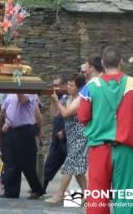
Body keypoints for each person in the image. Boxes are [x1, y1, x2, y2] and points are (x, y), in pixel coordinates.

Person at [77, 46, 133, 214]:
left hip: (98, 148)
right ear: (121, 62)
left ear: (102, 63)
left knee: (97, 196)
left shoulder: (90, 87)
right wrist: (127, 123)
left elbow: (83, 117)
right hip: (125, 149)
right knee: (125, 196)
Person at [45, 73, 87, 204]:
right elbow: (55, 114)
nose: (68, 87)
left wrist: (57, 101)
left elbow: (66, 113)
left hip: (81, 136)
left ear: (79, 87)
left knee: (69, 165)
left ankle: (59, 194)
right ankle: (89, 194)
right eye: (68, 84)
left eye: (72, 85)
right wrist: (54, 100)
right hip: (71, 138)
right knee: (77, 169)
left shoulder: (81, 99)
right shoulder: (65, 98)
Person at [0, 93, 44, 199]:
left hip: (25, 130)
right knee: (10, 162)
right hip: (10, 130)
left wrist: (18, 88)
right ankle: (11, 191)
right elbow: (4, 110)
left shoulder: (29, 93)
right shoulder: (9, 95)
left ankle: (37, 190)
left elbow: (22, 100)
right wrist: (6, 123)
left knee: (27, 163)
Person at [43, 75, 68, 193]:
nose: (55, 88)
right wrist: (53, 100)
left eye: (57, 86)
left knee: (73, 169)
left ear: (64, 86)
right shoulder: (58, 98)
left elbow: (73, 118)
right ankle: (41, 189)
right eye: (53, 86)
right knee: (50, 163)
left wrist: (64, 131)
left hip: (68, 138)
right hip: (57, 137)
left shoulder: (70, 98)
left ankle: (75, 198)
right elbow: (54, 114)